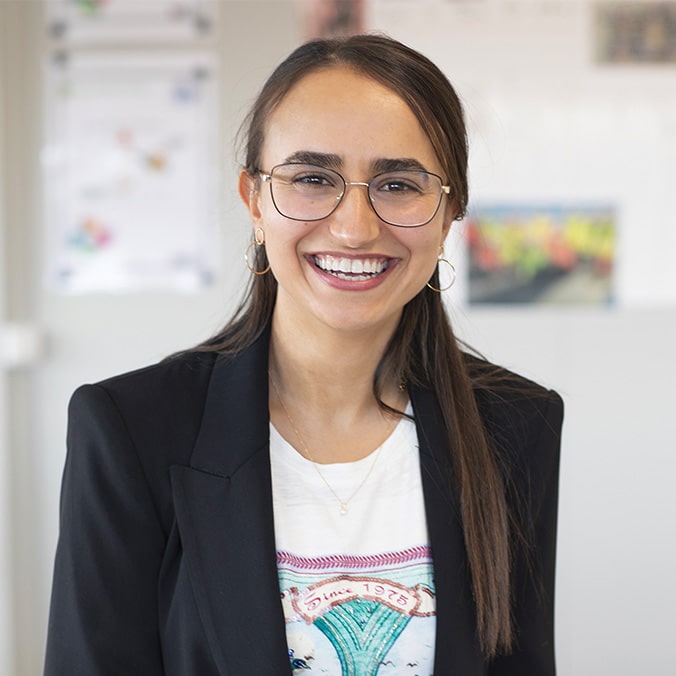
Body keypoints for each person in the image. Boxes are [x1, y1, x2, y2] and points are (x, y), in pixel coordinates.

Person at [44, 34, 564, 676]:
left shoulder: (516, 423)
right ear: (254, 201)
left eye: (399, 183)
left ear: (449, 209)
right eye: (313, 178)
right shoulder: (130, 428)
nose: (354, 226)